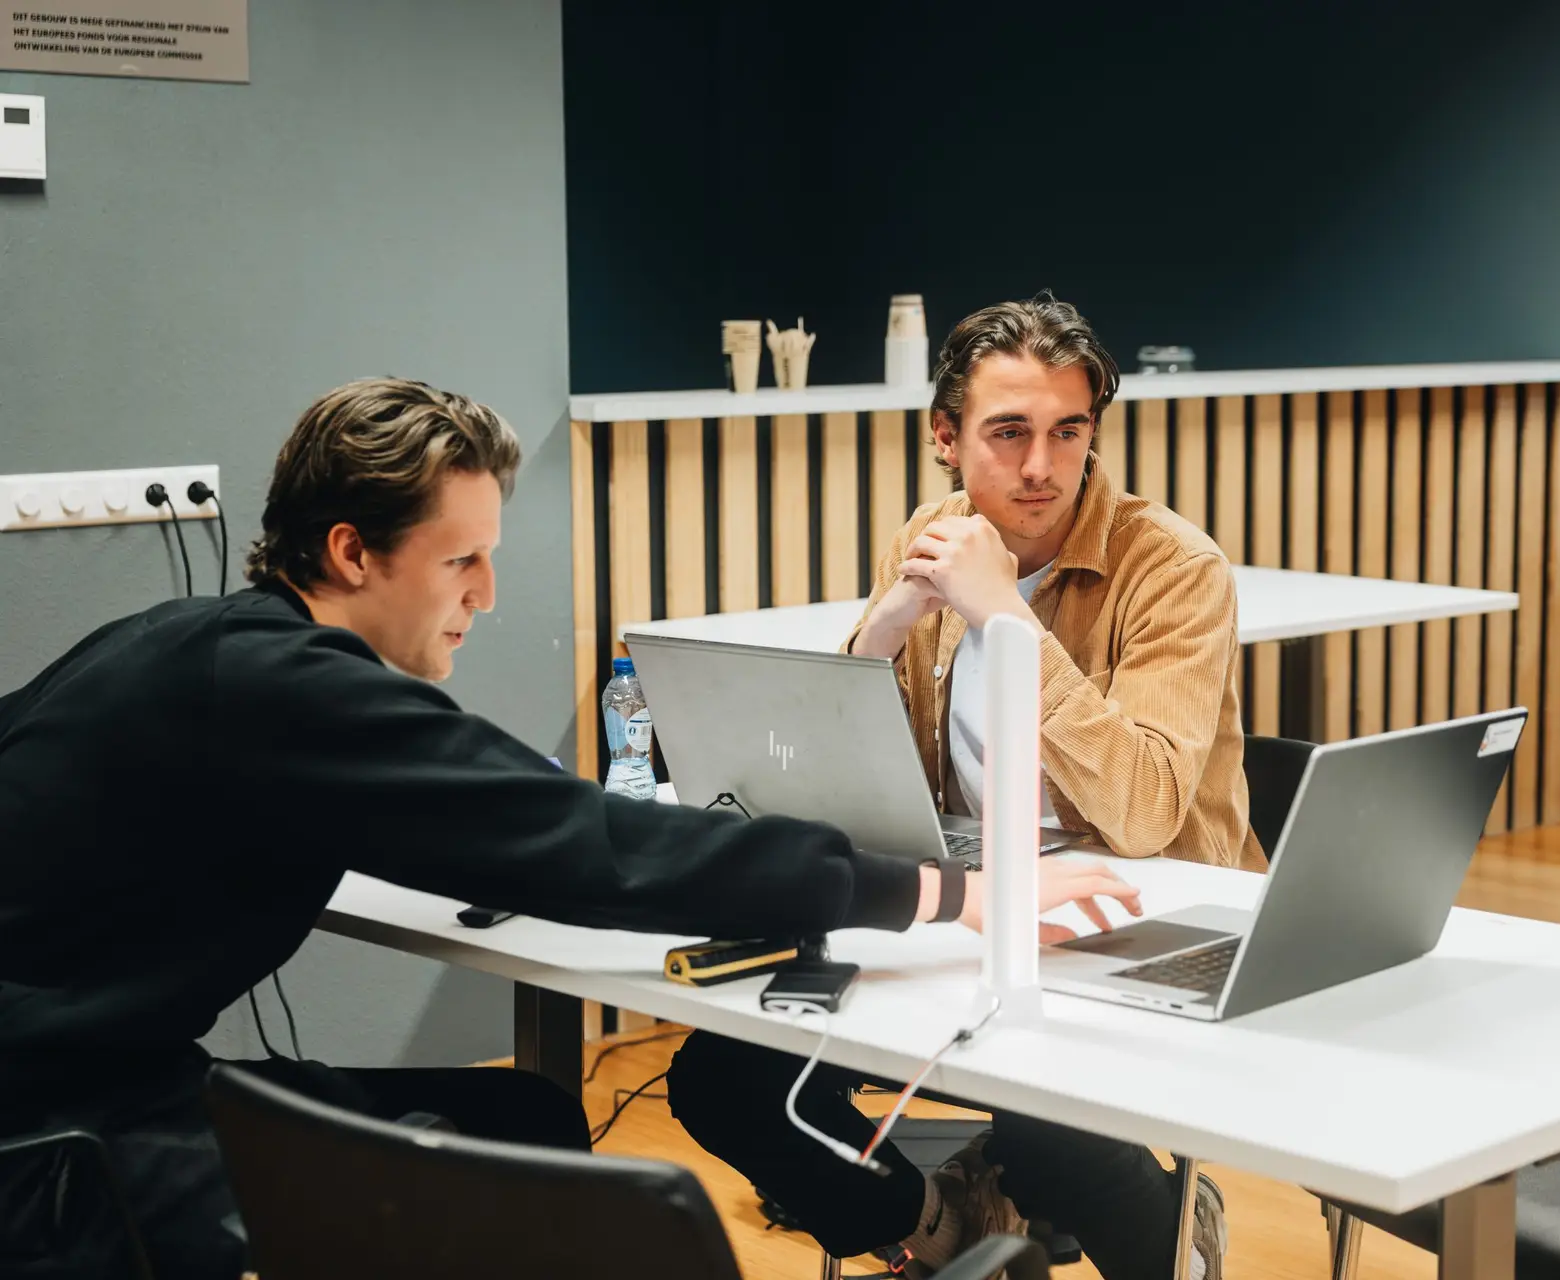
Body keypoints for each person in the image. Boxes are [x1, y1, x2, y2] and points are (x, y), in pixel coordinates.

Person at [0, 377, 1140, 1280]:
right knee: (558, 1181)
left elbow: (502, 824)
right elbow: (597, 849)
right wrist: (954, 893)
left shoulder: (189, 644)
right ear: (351, 552)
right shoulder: (289, 689)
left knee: (528, 1109)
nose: (487, 593)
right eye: (461, 559)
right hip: (54, 1150)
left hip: (92, 1086)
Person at [669, 296, 1257, 1280]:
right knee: (724, 1076)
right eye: (1009, 432)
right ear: (946, 437)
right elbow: (849, 767)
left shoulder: (1171, 567)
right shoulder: (937, 532)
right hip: (974, 897)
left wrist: (1004, 621)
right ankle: (949, 1234)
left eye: (1068, 431)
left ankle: (1172, 1242)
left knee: (1044, 1117)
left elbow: (1147, 811)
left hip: (1137, 912)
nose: (1043, 466)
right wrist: (887, 625)